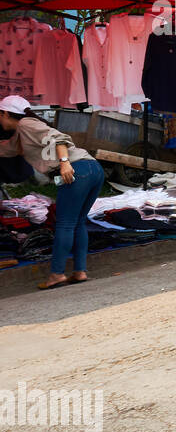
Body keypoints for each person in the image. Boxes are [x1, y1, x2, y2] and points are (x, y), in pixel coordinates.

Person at [0, 96, 105, 290]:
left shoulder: (26, 124)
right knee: (78, 222)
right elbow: (8, 149)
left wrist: (64, 163)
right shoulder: (23, 132)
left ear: (5, 113)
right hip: (93, 168)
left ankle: (57, 274)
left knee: (65, 224)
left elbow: (60, 139)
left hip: (74, 170)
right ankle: (79, 271)